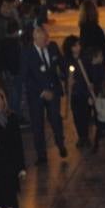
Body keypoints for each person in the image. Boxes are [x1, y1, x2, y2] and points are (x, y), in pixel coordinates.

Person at [19, 26, 67, 164]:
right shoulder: (27, 53)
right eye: (42, 39)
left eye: (46, 38)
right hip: (36, 94)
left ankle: (60, 143)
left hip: (53, 90)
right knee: (37, 125)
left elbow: (61, 64)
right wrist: (42, 91)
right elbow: (25, 76)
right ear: (35, 39)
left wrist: (65, 74)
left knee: (56, 119)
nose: (45, 41)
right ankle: (41, 155)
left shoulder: (52, 47)